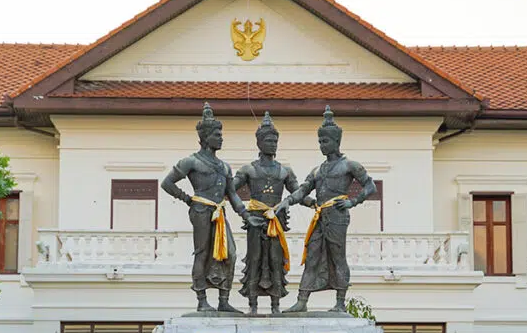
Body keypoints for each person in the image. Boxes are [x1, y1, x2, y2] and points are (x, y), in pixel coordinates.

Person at [281, 106, 376, 313]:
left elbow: (370, 186)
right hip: (320, 216)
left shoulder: (349, 165)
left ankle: (340, 302)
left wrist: (353, 201)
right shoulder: (318, 170)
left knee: (337, 256)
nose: (322, 145)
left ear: (336, 142)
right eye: (320, 142)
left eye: (325, 141)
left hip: (338, 216)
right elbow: (303, 190)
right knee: (312, 254)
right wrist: (286, 201)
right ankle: (302, 300)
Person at [161, 102, 249, 313]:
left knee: (230, 254)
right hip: (201, 210)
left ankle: (223, 298)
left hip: (219, 212)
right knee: (202, 253)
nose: (221, 138)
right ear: (205, 137)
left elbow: (233, 194)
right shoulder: (191, 161)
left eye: (221, 134)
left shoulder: (224, 166)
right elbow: (167, 183)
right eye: (217, 134)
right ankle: (201, 299)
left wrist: (245, 214)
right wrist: (187, 199)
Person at [233, 112, 311, 315]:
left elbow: (297, 192)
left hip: (276, 221)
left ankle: (276, 305)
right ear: (259, 143)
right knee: (254, 259)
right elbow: (230, 190)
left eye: (275, 140)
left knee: (276, 260)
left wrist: (313, 203)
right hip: (255, 220)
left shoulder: (284, 171)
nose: (273, 144)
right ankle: (253, 305)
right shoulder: (248, 170)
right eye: (269, 140)